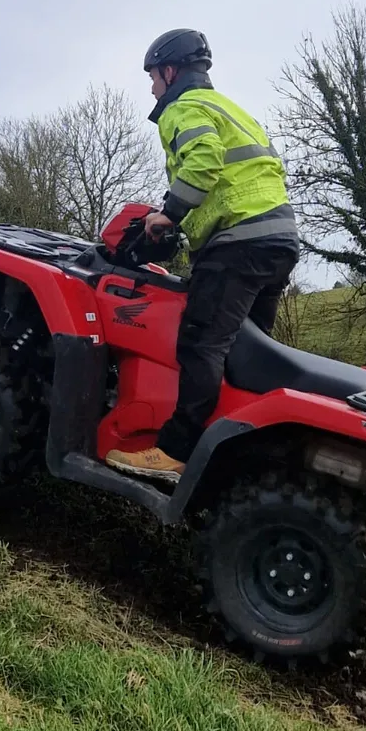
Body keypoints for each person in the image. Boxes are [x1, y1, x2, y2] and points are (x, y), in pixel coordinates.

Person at [107, 28, 300, 484]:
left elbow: (204, 161)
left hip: (239, 243)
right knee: (244, 355)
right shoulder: (232, 109)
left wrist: (167, 214)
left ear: (170, 71)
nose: (153, 88)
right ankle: (238, 454)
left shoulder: (183, 108)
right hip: (277, 241)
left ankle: (175, 453)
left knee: (202, 344)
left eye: (153, 77)